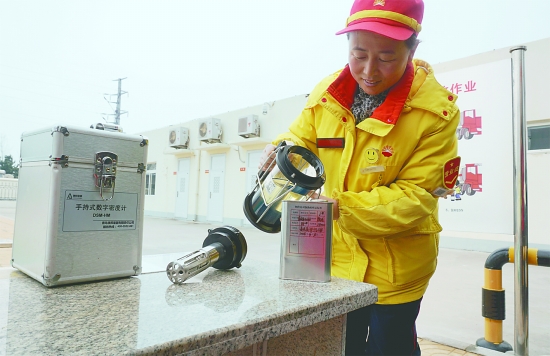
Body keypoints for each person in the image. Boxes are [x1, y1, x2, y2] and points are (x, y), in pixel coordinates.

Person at [259, 0, 460, 354]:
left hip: (395, 268)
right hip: (333, 262)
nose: (369, 70)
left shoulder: (435, 114)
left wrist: (341, 208)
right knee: (337, 347)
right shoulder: (327, 93)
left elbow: (417, 196)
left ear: (412, 49)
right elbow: (301, 139)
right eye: (358, 54)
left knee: (390, 348)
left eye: (386, 57)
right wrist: (279, 150)